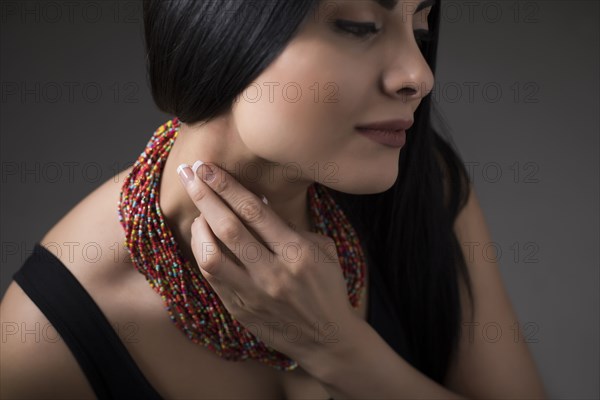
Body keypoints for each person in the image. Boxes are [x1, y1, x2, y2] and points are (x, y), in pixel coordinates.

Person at [0, 0, 548, 399]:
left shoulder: (425, 188)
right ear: (219, 26)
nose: (419, 75)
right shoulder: (43, 343)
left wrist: (343, 353)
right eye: (357, 25)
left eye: (421, 25)